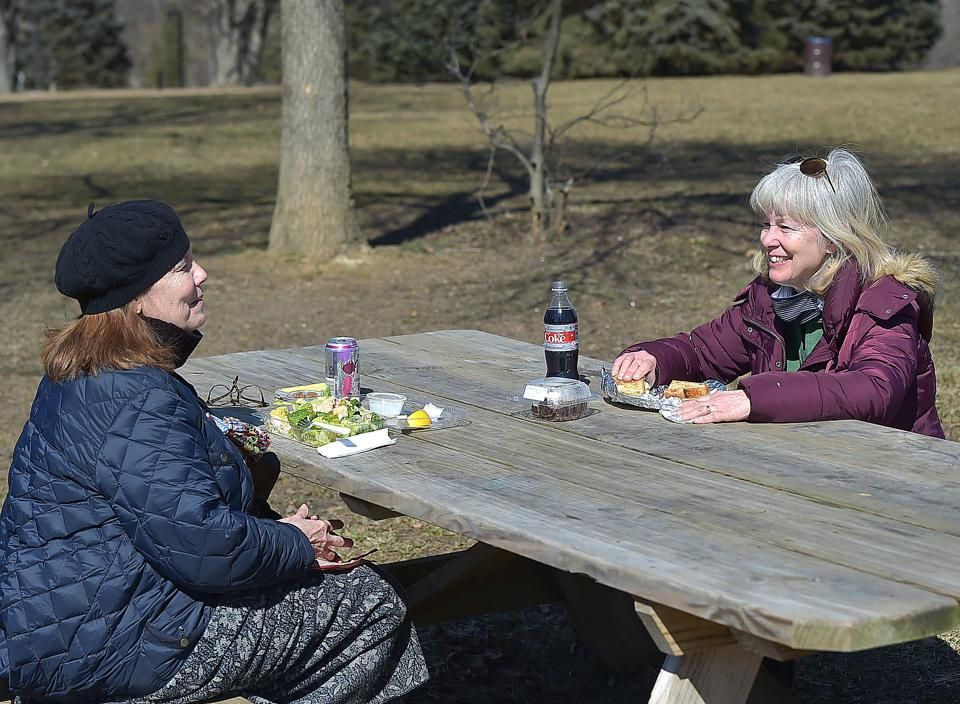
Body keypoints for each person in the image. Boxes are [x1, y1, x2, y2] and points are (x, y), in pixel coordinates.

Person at [0, 200, 428, 703]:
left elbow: (171, 518)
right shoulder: (136, 396)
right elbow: (203, 549)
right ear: (136, 300)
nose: (201, 274)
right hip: (115, 643)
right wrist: (294, 542)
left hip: (62, 623)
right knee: (367, 604)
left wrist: (272, 527)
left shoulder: (81, 374)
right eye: (181, 268)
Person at [612, 147, 943, 438]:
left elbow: (874, 389)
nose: (768, 239)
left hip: (893, 473)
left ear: (833, 239)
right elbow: (702, 353)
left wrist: (755, 398)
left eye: (785, 227)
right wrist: (653, 359)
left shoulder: (884, 302)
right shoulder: (773, 297)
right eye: (766, 224)